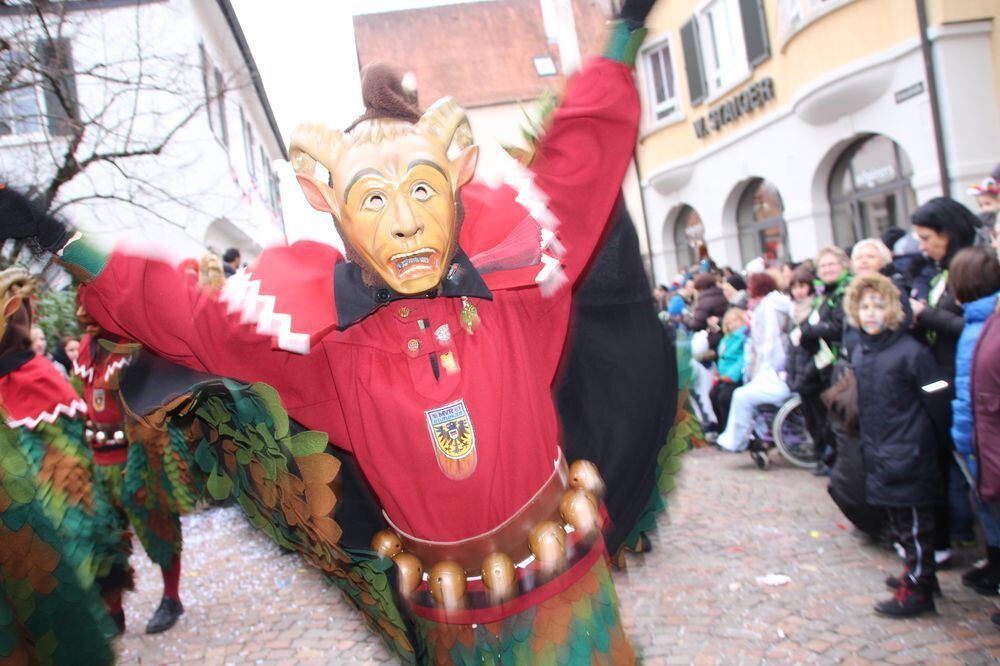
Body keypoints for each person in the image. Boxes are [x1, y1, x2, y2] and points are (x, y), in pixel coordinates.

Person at [7, 3, 659, 659]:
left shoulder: (521, 291)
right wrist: (56, 235)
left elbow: (580, 162)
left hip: (570, 606)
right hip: (454, 628)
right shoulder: (322, 352)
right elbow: (188, 313)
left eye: (423, 189)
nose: (404, 222)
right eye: (374, 197)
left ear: (456, 184)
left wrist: (626, 27)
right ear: (332, 206)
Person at [74, 303, 186, 634]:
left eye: (89, 303)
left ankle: (171, 597)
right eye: (79, 304)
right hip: (98, 461)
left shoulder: (131, 347)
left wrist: (142, 459)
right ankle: (114, 611)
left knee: (159, 525)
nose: (83, 312)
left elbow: (151, 408)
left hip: (133, 457)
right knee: (106, 539)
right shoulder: (85, 349)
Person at [845, 273, 949, 617]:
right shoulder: (861, 352)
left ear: (892, 310)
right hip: (882, 450)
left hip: (911, 452)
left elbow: (938, 400)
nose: (871, 313)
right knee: (902, 525)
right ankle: (917, 573)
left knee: (917, 527)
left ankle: (920, 589)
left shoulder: (912, 353)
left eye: (878, 306)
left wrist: (933, 443)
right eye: (864, 307)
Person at [910, 197, 982, 563]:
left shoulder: (971, 269)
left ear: (947, 233)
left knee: (966, 464)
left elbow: (973, 329)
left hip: (962, 380)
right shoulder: (939, 270)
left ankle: (963, 535)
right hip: (941, 377)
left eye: (926, 237)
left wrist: (925, 317)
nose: (921, 246)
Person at [946, 247, 1000, 595]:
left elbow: (970, 397)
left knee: (990, 503)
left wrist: (963, 441)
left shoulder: (977, 329)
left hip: (983, 439)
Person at [717, 272, 791, 453]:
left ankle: (736, 440)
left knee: (741, 396)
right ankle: (742, 438)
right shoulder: (766, 307)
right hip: (772, 370)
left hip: (779, 373)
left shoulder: (772, 306)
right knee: (739, 395)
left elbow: (770, 343)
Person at [797, 246, 851, 474]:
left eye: (832, 264)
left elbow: (839, 326)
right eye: (824, 266)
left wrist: (810, 330)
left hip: (838, 359)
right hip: (821, 359)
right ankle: (826, 453)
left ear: (843, 265)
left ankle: (836, 458)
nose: (827, 269)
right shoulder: (825, 294)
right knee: (809, 395)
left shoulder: (845, 290)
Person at [709, 307, 747, 432]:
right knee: (713, 394)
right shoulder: (727, 338)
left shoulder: (744, 336)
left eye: (735, 321)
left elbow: (743, 358)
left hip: (735, 377)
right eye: (729, 323)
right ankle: (722, 427)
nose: (733, 325)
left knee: (724, 398)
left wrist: (731, 375)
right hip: (723, 375)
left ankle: (729, 429)